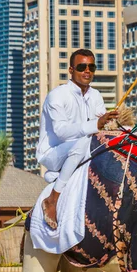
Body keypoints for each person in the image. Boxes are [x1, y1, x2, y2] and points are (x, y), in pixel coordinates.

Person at [37, 49, 119, 229]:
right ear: (71, 70)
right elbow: (61, 132)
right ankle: (52, 199)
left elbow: (99, 127)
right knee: (82, 143)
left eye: (92, 67)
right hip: (54, 153)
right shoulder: (57, 95)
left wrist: (111, 123)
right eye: (82, 67)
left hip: (84, 150)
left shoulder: (95, 95)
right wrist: (97, 123)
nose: (87, 71)